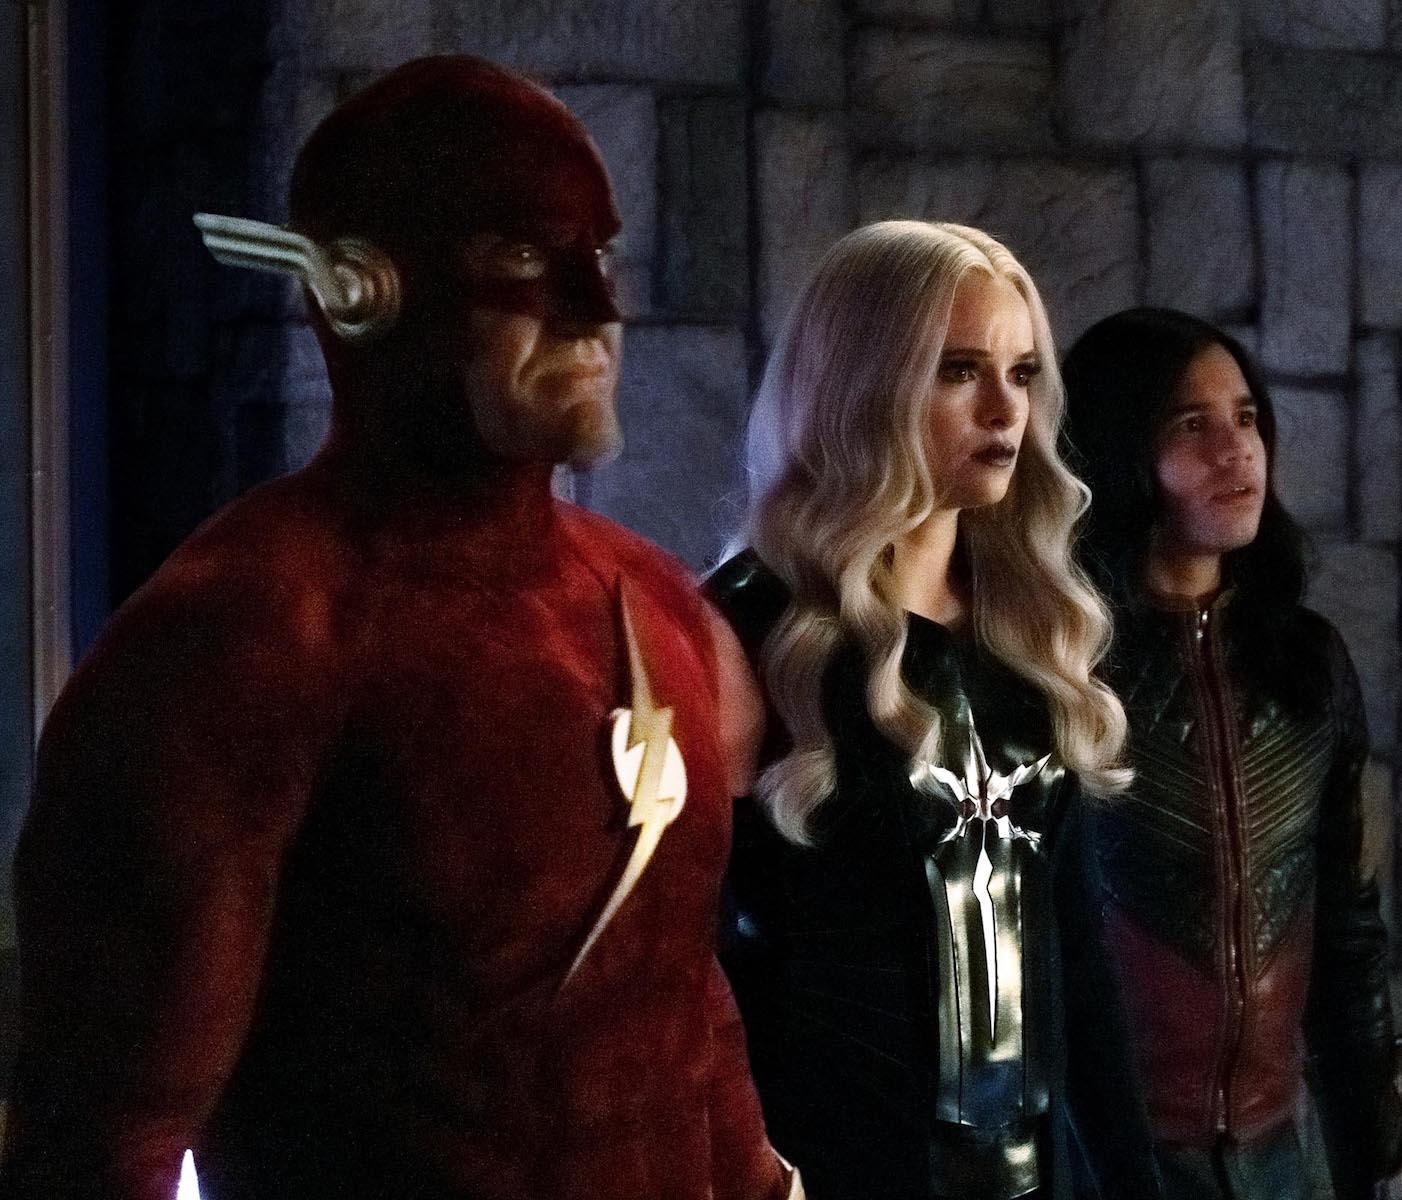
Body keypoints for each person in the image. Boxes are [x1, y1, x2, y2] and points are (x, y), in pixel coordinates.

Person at [1, 56, 795, 1200]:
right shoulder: (243, 639)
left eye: (601, 253)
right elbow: (106, 1138)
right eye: (522, 256)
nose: (596, 305)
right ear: (361, 291)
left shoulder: (654, 600)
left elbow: (670, 995)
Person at [705, 221, 1160, 1200]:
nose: (1005, 409)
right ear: (863, 383)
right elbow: (684, 978)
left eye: (1022, 373)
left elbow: (1077, 966)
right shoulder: (749, 633)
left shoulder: (1030, 630)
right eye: (959, 371)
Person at [1059, 308, 1402, 1200]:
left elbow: (1345, 920)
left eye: (1247, 418)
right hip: (1111, 1163)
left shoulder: (1305, 662)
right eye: (1193, 425)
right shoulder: (1062, 668)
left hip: (1275, 1159)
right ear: (1121, 450)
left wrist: (1378, 1140)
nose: (1237, 452)